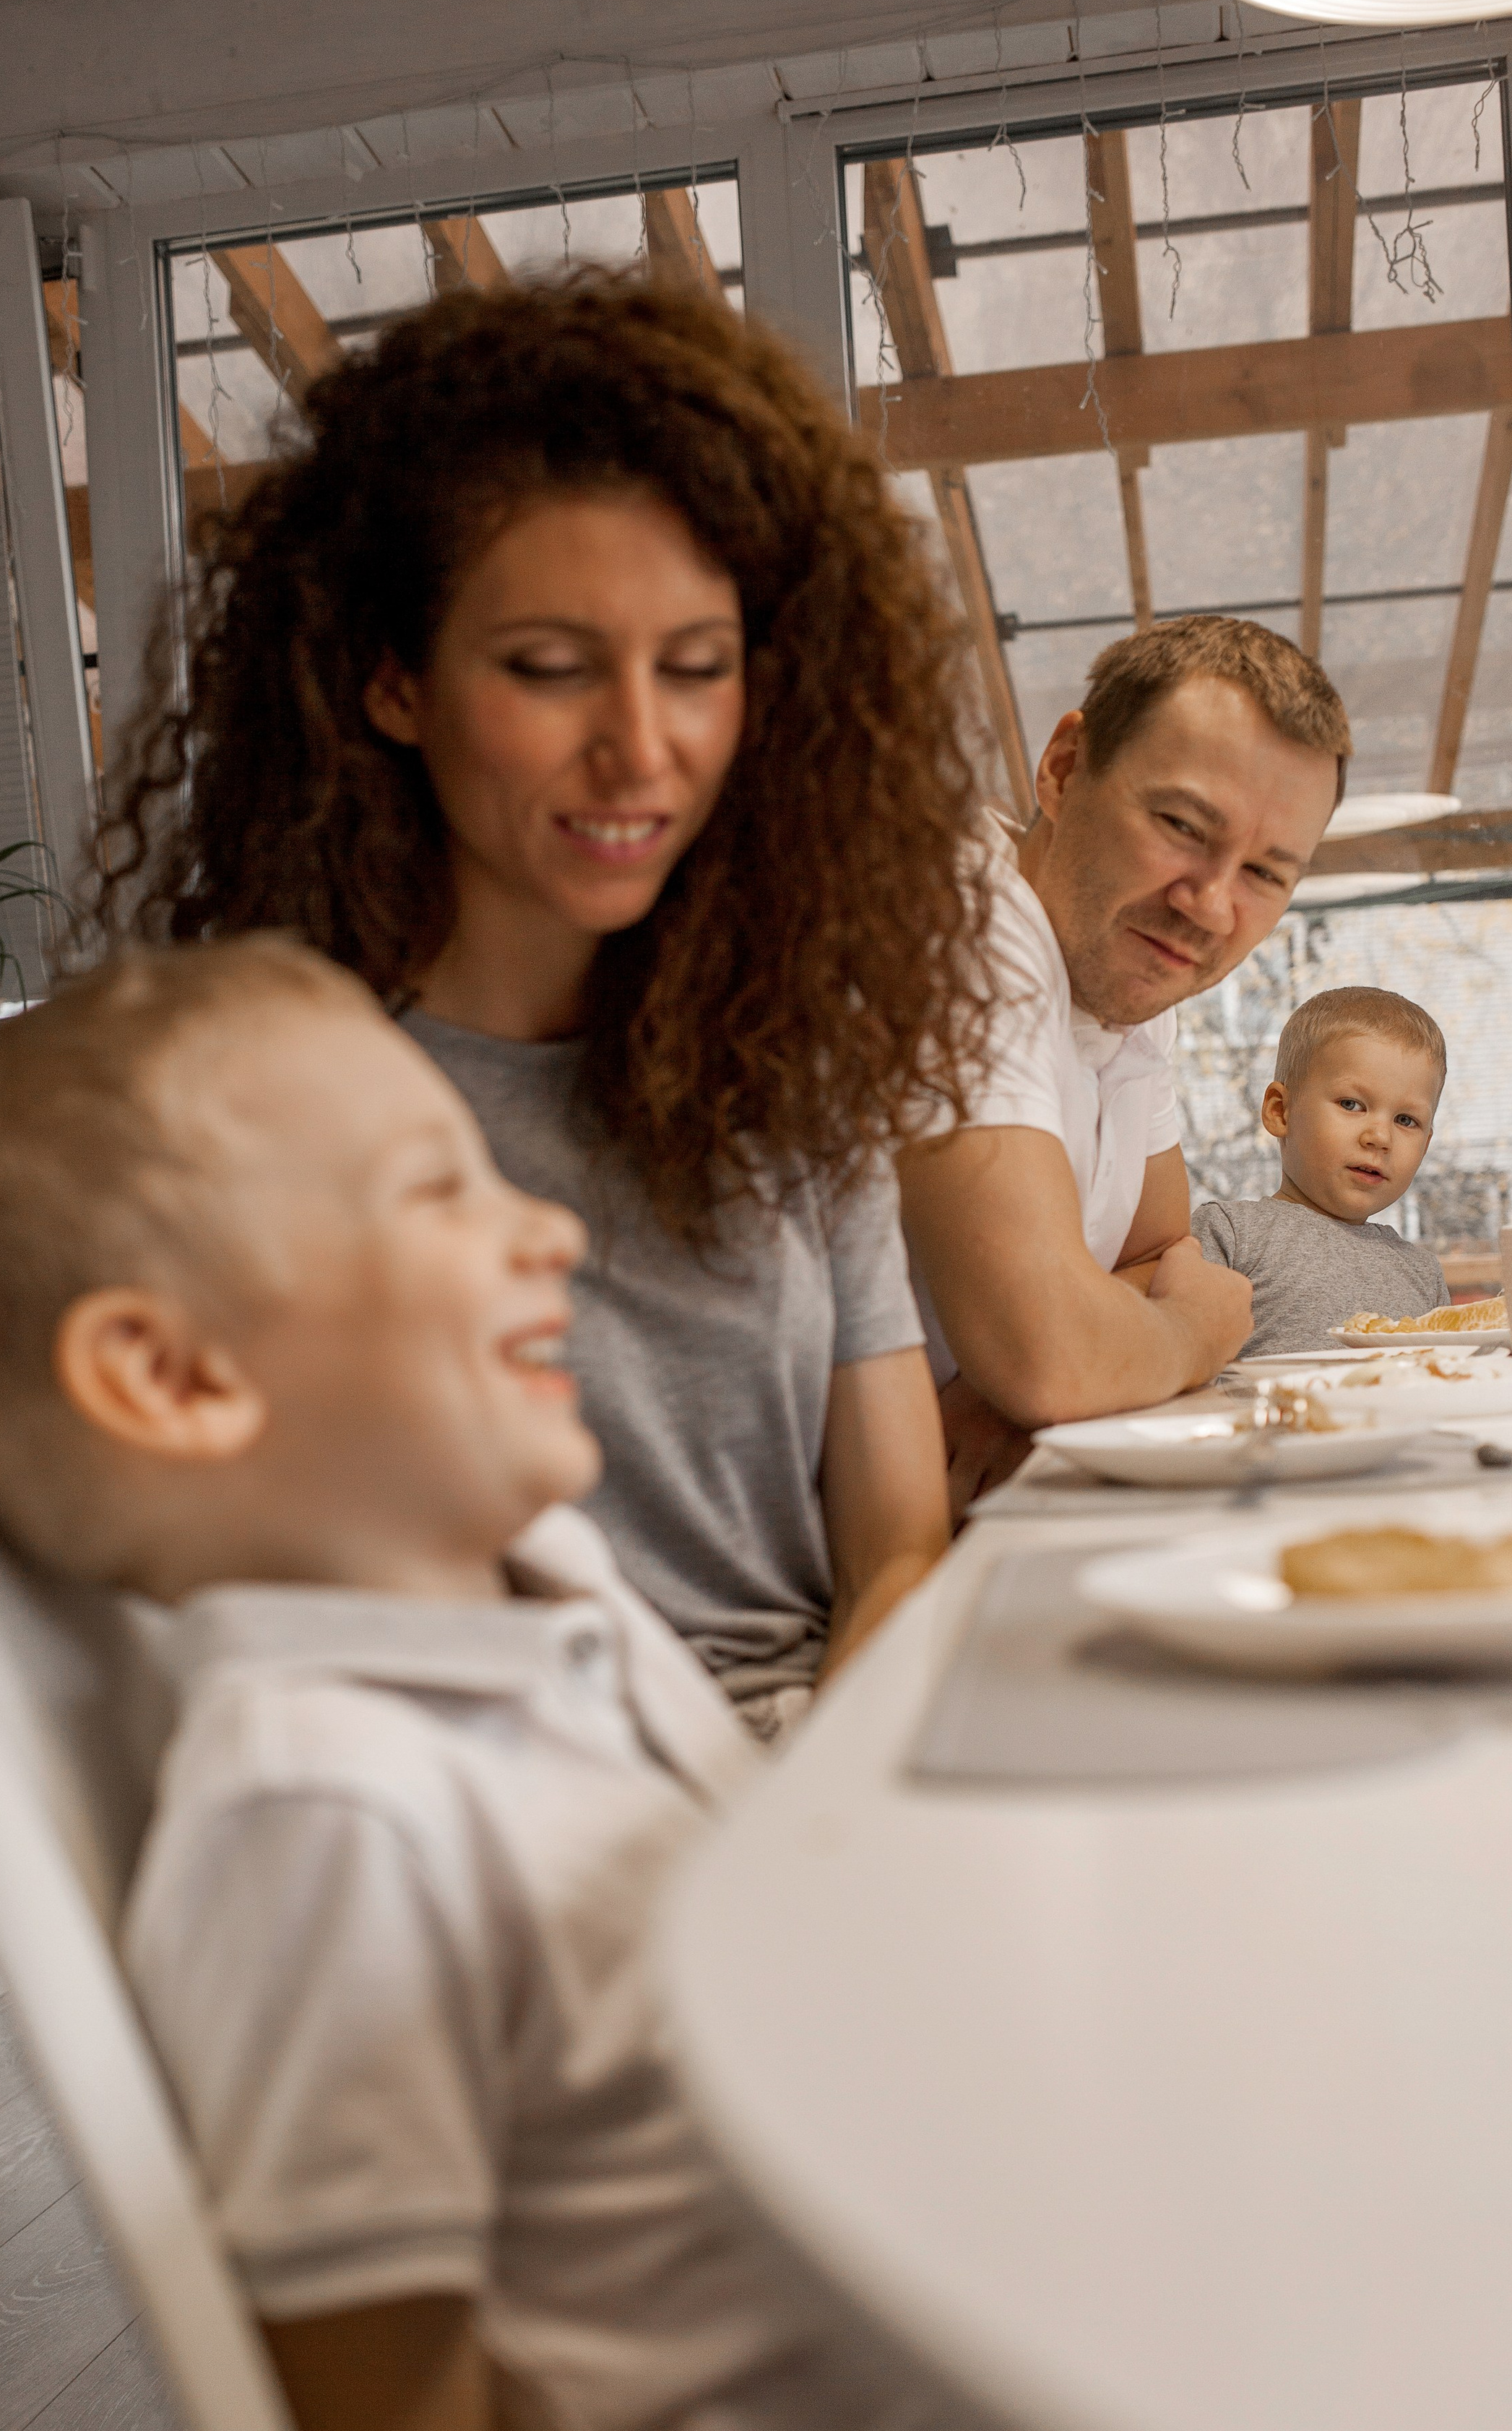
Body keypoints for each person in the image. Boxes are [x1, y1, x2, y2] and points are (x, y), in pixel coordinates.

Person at [0, 941, 1300, 2431]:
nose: (544, 1233)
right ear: (174, 1374)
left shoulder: (548, 1591)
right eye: (437, 1186)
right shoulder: (328, 1814)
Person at [92, 272, 1001, 1736]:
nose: (639, 750)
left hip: (799, 1771)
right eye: (549, 671)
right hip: (485, 1801)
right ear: (393, 684)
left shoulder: (793, 1069)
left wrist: (803, 1814)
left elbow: (894, 1549)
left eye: (695, 670)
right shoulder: (268, 1106)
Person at [897, 618, 1350, 1520]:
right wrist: (1199, 1328)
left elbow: (1150, 1251)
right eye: (1182, 826)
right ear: (1064, 768)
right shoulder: (962, 927)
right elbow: (1058, 1352)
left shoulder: (1129, 986)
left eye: (1265, 872)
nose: (1212, 907)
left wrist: (1040, 1378)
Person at [1191, 985, 1449, 1355]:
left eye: (1406, 1120)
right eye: (1352, 1104)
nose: (1380, 1137)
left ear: (1426, 1145)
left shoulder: (1423, 1273)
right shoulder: (1230, 1235)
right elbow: (1184, 1366)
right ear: (1281, 1111)